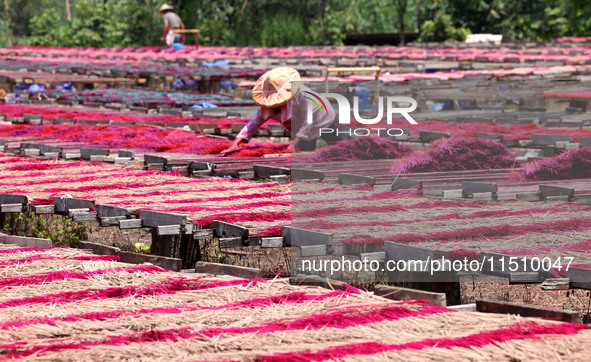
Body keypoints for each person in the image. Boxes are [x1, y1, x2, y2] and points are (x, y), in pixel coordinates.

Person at [220, 67, 335, 156]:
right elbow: (252, 125)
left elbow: (308, 122)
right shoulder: (267, 105)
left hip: (323, 116)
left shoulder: (302, 95)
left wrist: (293, 145)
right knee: (305, 154)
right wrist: (235, 144)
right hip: (299, 128)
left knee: (340, 145)